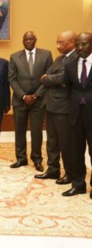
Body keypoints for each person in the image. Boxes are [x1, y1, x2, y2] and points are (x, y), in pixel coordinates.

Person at [35, 31, 77, 185]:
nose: (57, 46)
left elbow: (63, 78)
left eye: (61, 42)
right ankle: (53, 170)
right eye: (57, 42)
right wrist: (51, 78)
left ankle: (70, 173)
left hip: (64, 108)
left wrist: (50, 78)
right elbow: (47, 75)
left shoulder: (76, 58)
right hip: (51, 105)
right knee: (52, 142)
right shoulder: (59, 59)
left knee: (66, 143)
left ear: (72, 42)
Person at [9, 32, 53, 172]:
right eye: (25, 39)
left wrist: (36, 95)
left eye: (30, 39)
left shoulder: (46, 55)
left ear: (35, 40)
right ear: (23, 41)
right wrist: (23, 96)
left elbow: (49, 77)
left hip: (38, 101)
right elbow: (12, 79)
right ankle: (21, 158)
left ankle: (37, 159)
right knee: (19, 131)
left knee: (36, 131)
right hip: (20, 100)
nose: (28, 41)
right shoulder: (15, 57)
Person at [62, 32, 92, 198]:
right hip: (75, 114)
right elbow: (68, 89)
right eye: (78, 45)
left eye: (85, 44)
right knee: (76, 151)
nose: (80, 48)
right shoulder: (70, 65)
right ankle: (78, 184)